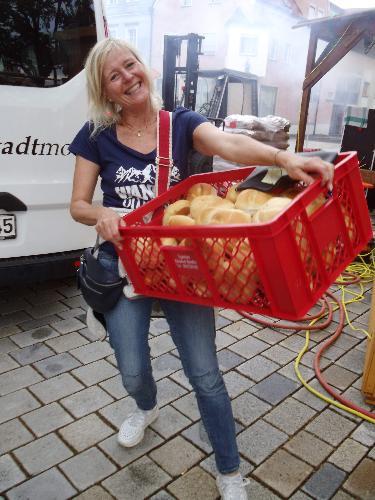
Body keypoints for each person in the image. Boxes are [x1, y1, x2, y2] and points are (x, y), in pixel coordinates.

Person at [69, 38, 334, 500]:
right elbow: (77, 205)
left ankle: (229, 471)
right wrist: (102, 214)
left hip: (179, 265)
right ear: (105, 90)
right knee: (132, 370)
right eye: (115, 75)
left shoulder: (181, 124)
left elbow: (230, 143)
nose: (128, 77)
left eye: (131, 66)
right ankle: (145, 406)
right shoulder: (95, 137)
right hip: (123, 264)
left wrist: (282, 158)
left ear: (143, 69)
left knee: (205, 373)